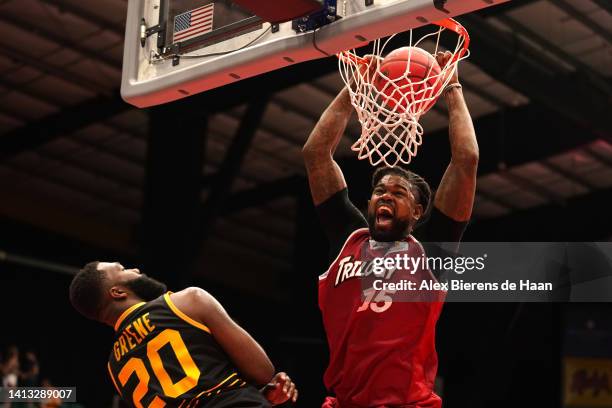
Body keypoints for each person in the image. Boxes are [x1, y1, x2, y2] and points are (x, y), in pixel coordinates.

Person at [302, 51, 478, 408]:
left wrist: (453, 86)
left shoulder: (429, 251)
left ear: (416, 211)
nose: (385, 196)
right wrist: (354, 87)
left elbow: (466, 160)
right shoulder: (349, 238)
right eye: (380, 191)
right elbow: (316, 153)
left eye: (398, 193)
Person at [69, 261, 298, 407]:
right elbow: (263, 371)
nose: (135, 270)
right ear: (117, 292)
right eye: (122, 270)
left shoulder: (114, 367)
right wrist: (260, 392)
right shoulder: (186, 301)